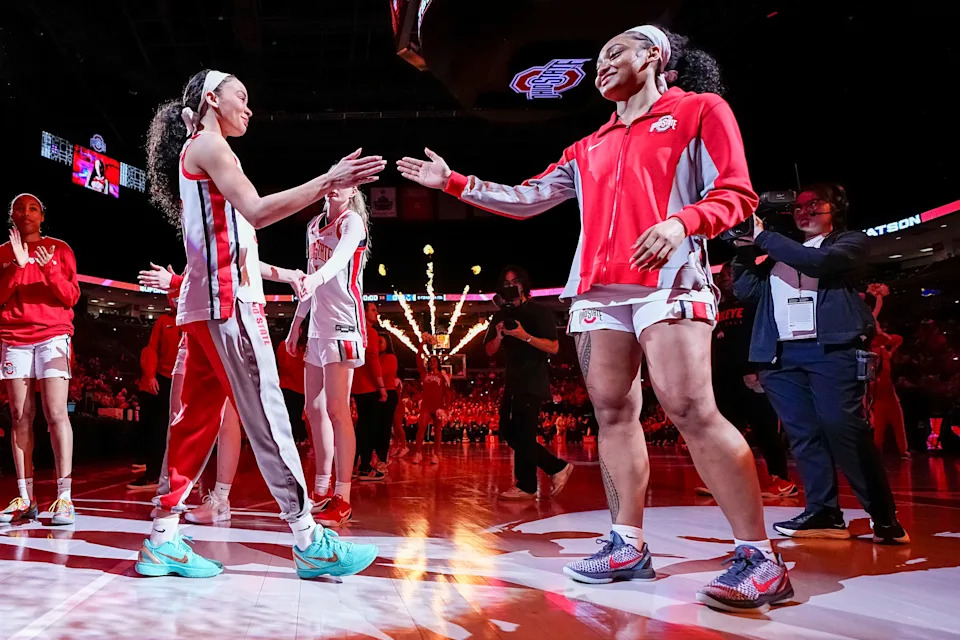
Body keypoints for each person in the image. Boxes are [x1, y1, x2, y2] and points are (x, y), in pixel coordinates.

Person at [399, 25, 791, 613]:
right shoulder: (587, 146)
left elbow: (737, 193)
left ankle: (760, 558)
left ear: (654, 56)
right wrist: (453, 182)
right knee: (612, 413)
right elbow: (526, 199)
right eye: (601, 55)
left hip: (669, 280)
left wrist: (681, 223)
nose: (603, 63)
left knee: (690, 410)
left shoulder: (700, 111)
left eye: (617, 50)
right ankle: (626, 543)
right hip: (598, 293)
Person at [141, 68, 384, 578]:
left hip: (204, 304)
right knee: (269, 418)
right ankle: (309, 538)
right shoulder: (211, 147)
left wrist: (284, 272)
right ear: (212, 98)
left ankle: (163, 537)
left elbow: (239, 238)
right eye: (241, 97)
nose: (249, 107)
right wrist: (328, 179)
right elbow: (256, 211)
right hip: (227, 304)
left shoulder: (204, 154)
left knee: (196, 423)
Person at [732, 183, 909, 545]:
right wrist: (743, 248)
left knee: (843, 426)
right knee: (803, 435)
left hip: (832, 350)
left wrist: (763, 238)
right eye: (798, 207)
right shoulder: (780, 251)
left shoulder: (850, 242)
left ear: (836, 209)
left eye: (815, 205)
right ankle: (824, 512)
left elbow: (819, 263)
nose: (804, 211)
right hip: (780, 355)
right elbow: (746, 291)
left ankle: (883, 515)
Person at [286, 183, 373, 525]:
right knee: (313, 408)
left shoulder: (352, 223)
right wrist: (296, 324)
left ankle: (343, 495)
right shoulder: (312, 225)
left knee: (338, 410)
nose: (336, 188)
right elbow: (310, 273)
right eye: (334, 181)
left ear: (353, 191)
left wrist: (314, 279)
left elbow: (336, 263)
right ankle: (321, 489)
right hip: (318, 328)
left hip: (343, 324)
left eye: (345, 183)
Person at [0, 193, 80, 526]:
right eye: (20, 207)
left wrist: (48, 270)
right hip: (14, 339)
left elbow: (71, 296)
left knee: (56, 413)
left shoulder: (60, 249)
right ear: (12, 216)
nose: (26, 212)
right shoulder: (3, 252)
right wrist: (16, 268)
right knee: (20, 414)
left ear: (42, 216)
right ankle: (25, 496)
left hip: (53, 336)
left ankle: (64, 497)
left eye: (33, 208)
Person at [697, 264, 796, 498]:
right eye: (720, 277)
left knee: (765, 428)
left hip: (751, 375)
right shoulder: (719, 307)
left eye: (726, 276)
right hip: (724, 377)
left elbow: (762, 338)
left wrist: (757, 369)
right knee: (724, 432)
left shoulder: (754, 304)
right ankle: (723, 481)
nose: (722, 280)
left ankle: (782, 479)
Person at [483, 266, 573, 500]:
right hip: (512, 381)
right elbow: (489, 351)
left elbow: (553, 346)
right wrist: (500, 336)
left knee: (522, 433)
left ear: (524, 285)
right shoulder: (500, 315)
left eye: (514, 282)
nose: (510, 287)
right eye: (505, 283)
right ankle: (554, 468)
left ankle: (527, 484)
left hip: (533, 380)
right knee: (508, 431)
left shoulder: (539, 312)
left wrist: (524, 336)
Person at [129, 309, 181, 491]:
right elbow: (151, 348)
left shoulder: (193, 318)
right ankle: (153, 473)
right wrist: (150, 375)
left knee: (179, 430)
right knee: (156, 428)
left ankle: (182, 474)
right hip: (163, 379)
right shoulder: (163, 321)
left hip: (185, 378)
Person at [866, 284, 909, 459]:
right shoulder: (872, 347)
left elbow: (898, 339)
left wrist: (891, 352)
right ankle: (877, 449)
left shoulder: (882, 346)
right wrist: (878, 299)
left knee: (897, 421)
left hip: (888, 392)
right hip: (877, 391)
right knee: (879, 424)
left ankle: (902, 450)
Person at [351, 303, 387, 482]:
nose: (377, 312)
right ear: (363, 313)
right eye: (373, 310)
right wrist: (381, 387)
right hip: (368, 387)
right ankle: (365, 468)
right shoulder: (370, 333)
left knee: (359, 428)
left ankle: (352, 466)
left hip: (355, 385)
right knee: (369, 429)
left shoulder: (353, 331)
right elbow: (373, 361)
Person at [411, 354, 450, 464]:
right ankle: (418, 453)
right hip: (426, 406)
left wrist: (446, 408)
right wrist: (422, 343)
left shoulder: (443, 377)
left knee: (437, 431)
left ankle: (436, 454)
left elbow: (447, 393)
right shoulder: (424, 374)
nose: (432, 363)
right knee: (421, 428)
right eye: (430, 361)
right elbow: (418, 359)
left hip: (438, 406)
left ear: (438, 363)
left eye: (434, 361)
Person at [377, 333, 401, 466]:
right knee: (376, 427)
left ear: (387, 344)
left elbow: (381, 372)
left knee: (385, 427)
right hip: (376, 393)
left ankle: (382, 457)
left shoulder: (391, 357)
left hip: (389, 393)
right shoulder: (374, 357)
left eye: (381, 342)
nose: (378, 345)